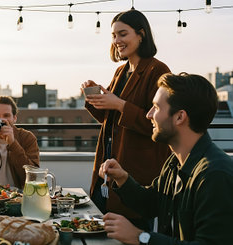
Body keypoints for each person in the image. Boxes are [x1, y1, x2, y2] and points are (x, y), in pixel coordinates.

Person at [100, 73, 233, 244]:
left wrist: (140, 237)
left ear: (179, 117)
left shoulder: (215, 176)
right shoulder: (175, 162)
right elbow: (151, 203)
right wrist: (122, 178)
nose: (149, 115)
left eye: (156, 107)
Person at [81, 9, 171, 229]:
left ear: (141, 35)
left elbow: (159, 124)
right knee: (104, 229)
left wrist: (120, 104)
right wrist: (95, 99)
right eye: (113, 36)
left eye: (123, 34)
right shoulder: (122, 71)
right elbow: (110, 119)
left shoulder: (157, 70)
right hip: (109, 163)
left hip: (136, 170)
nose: (117, 41)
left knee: (132, 230)